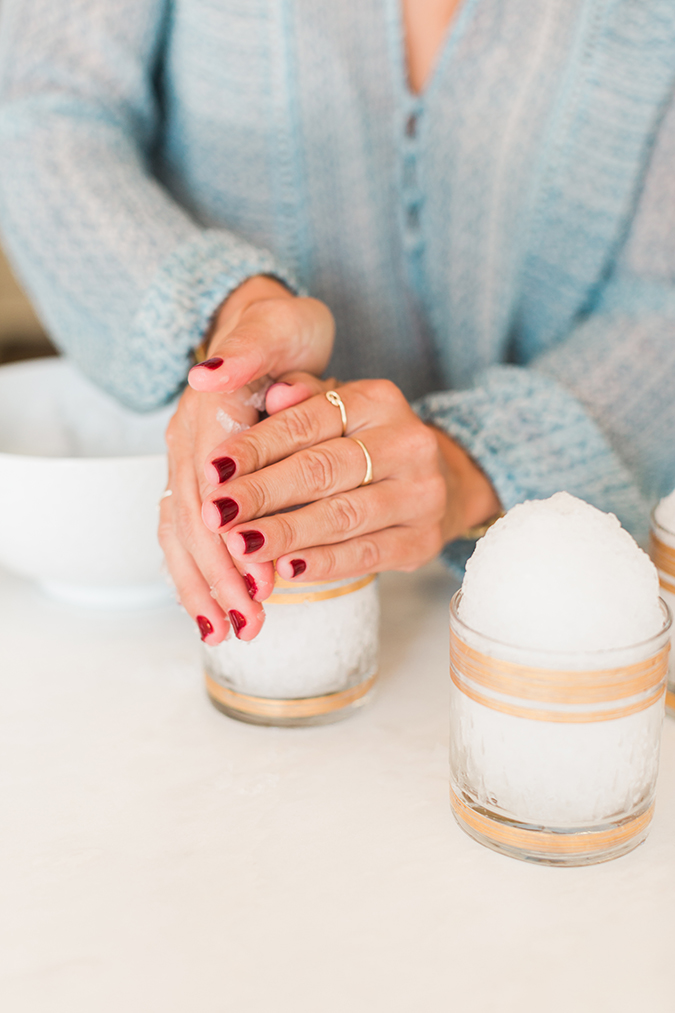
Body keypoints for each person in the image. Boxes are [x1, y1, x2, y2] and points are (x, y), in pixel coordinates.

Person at [1, 0, 674, 646]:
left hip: (562, 611)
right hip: (205, 587)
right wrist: (230, 312)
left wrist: (467, 465)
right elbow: (41, 113)